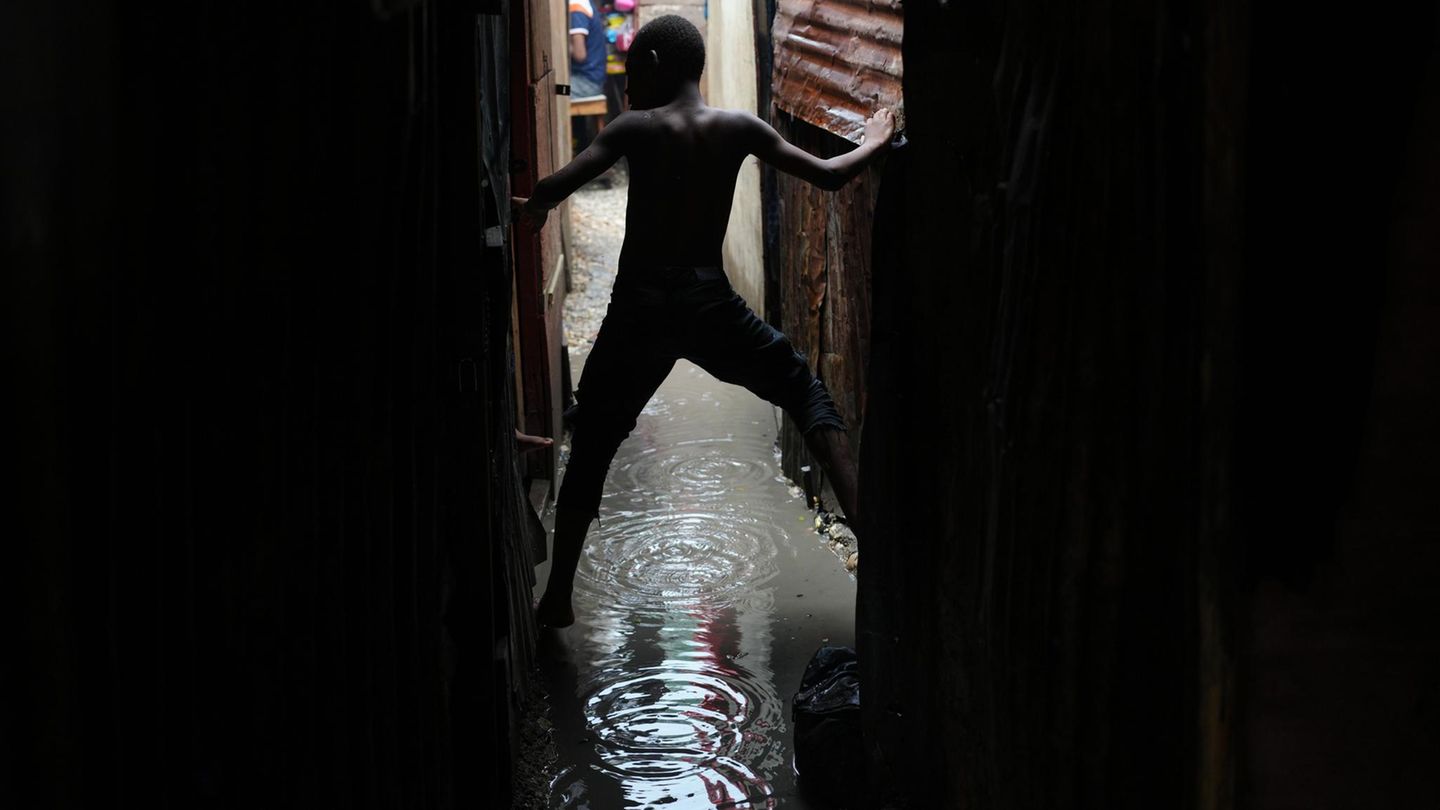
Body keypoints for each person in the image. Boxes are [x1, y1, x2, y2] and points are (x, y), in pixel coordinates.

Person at [514, 14, 895, 628]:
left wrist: (532, 210)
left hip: (639, 310)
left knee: (590, 448)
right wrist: (875, 139)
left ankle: (557, 598)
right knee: (803, 390)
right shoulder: (738, 128)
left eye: (636, 67)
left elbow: (556, 186)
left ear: (660, 62)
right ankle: (877, 551)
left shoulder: (633, 128)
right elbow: (830, 176)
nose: (629, 82)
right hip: (708, 304)